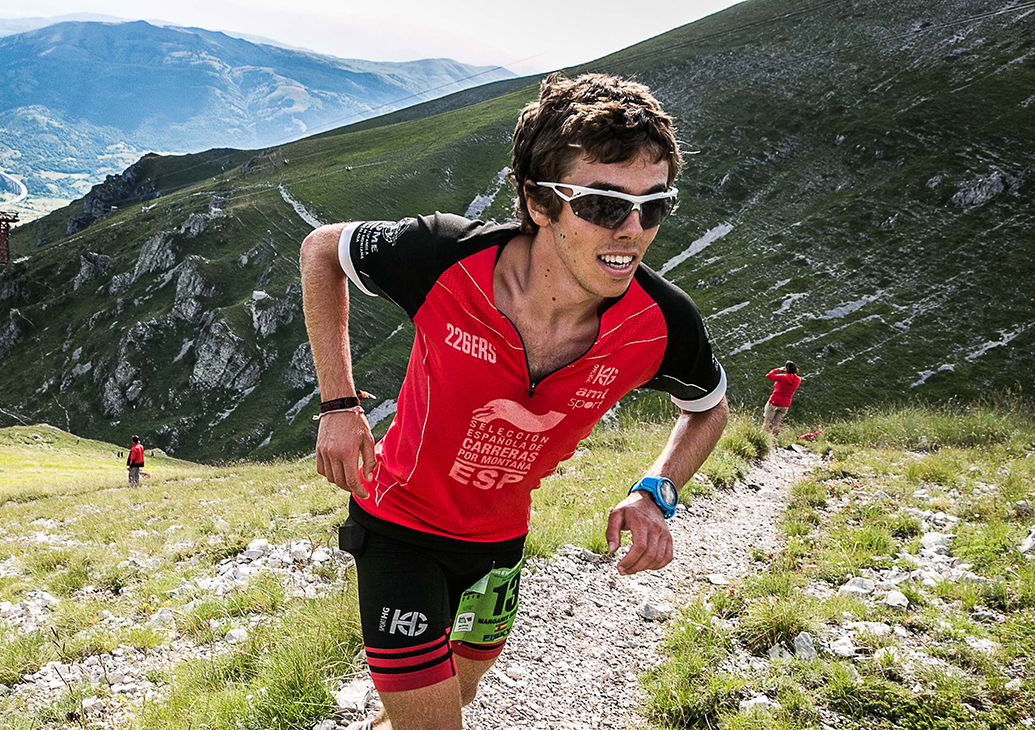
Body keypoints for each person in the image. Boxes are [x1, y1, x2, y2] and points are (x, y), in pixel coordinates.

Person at [299, 72, 729, 730]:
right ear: (537, 201)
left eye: (655, 205)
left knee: (462, 694)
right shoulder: (444, 256)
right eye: (603, 205)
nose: (634, 231)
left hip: (500, 541)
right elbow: (321, 250)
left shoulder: (662, 323)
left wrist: (656, 492)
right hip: (397, 526)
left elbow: (709, 408)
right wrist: (338, 405)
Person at [762, 361, 802, 441]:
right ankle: (774, 441)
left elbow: (768, 376)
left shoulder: (782, 377)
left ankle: (762, 439)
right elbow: (793, 377)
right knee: (777, 423)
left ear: (786, 369)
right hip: (785, 404)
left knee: (767, 421)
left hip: (774, 401)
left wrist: (778, 369)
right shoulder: (798, 380)